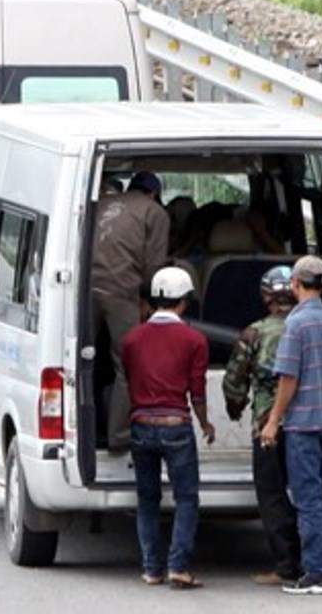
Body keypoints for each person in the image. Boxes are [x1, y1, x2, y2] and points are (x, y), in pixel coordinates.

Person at [261, 255, 322, 595]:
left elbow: (288, 378)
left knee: (308, 499)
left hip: (304, 426)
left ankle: (316, 574)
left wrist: (273, 421)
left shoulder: (295, 325)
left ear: (296, 284)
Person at [121, 266, 215, 589]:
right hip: (176, 425)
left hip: (141, 425)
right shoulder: (195, 340)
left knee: (147, 499)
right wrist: (205, 423)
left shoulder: (131, 339)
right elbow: (197, 391)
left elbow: (129, 379)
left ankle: (151, 569)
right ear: (185, 302)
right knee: (186, 497)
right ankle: (178, 566)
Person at [221, 265, 302, 586]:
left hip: (267, 426)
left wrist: (235, 409)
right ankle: (318, 561)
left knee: (272, 495)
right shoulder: (307, 327)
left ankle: (286, 565)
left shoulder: (254, 333)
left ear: (266, 297)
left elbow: (234, 382)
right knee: (308, 494)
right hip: (307, 422)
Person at [91, 170, 170, 451]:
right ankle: (119, 436)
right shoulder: (154, 212)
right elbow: (154, 265)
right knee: (126, 364)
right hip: (123, 293)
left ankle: (83, 432)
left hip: (84, 291)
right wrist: (149, 299)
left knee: (81, 360)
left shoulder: (98, 204)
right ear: (153, 194)